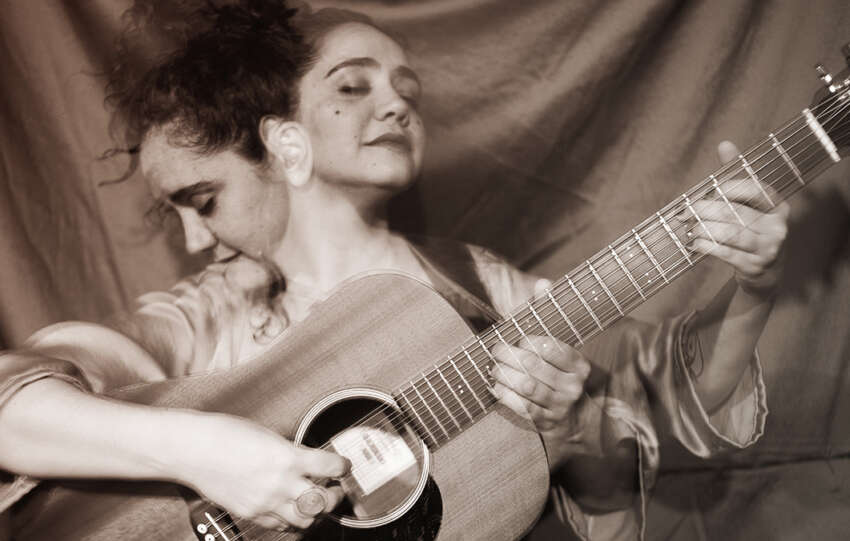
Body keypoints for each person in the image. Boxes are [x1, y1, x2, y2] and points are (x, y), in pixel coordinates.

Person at [0, 1, 787, 539]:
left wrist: (749, 289)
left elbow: (661, 402)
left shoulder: (480, 286)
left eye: (407, 88)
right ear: (280, 130)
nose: (396, 105)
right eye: (352, 86)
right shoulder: (209, 312)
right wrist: (206, 452)